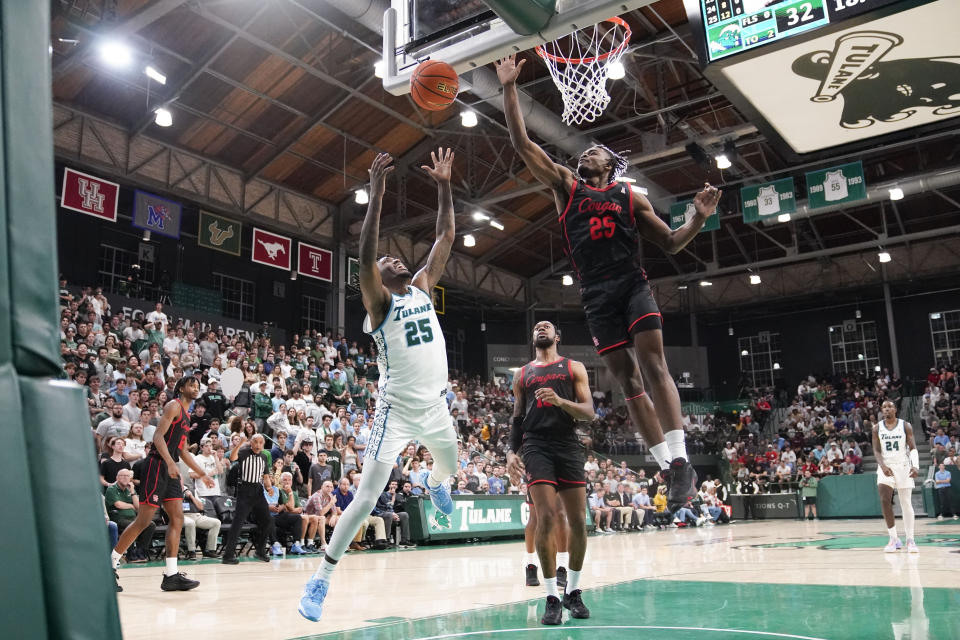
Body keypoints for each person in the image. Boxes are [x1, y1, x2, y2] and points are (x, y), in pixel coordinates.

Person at [496, 54, 720, 511]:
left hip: (632, 284)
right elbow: (522, 144)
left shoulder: (629, 196)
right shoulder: (565, 186)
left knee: (654, 365)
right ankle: (666, 466)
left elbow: (674, 243)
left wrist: (697, 216)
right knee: (625, 378)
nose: (586, 153)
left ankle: (681, 461)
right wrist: (508, 88)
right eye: (583, 151)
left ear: (610, 164)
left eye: (594, 151)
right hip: (595, 293)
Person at [299, 150, 460, 622]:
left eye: (398, 256)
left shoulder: (425, 286)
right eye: (390, 259)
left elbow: (446, 235)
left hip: (435, 409)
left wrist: (446, 186)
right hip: (394, 412)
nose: (396, 259)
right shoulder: (378, 301)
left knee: (449, 466)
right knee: (367, 497)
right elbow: (366, 254)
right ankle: (320, 579)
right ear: (379, 277)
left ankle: (432, 482)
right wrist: (378, 196)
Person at [507, 320, 595, 624]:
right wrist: (509, 452)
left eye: (547, 327)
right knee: (544, 516)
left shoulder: (574, 367)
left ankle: (573, 589)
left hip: (568, 444)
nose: (541, 328)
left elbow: (589, 412)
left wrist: (559, 401)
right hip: (536, 446)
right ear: (533, 338)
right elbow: (518, 417)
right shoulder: (523, 373)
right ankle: (551, 597)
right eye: (536, 327)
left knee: (578, 522)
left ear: (557, 336)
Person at [110, 376, 216, 591]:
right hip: (157, 465)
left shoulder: (187, 415)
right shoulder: (173, 406)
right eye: (191, 385)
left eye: (197, 385)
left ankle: (171, 574)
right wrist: (169, 462)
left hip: (171, 468)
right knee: (144, 520)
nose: (195, 388)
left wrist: (202, 473)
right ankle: (110, 564)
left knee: (177, 519)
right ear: (181, 388)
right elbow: (158, 436)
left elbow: (183, 450)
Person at [872, 400, 920, 553]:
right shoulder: (876, 428)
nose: (887, 409)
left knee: (906, 503)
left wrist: (915, 465)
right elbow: (877, 451)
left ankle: (910, 539)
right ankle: (893, 539)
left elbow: (912, 447)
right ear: (881, 410)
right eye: (884, 407)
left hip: (903, 466)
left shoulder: (905, 425)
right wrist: (883, 466)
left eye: (890, 407)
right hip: (886, 467)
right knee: (885, 500)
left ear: (895, 409)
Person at [221, 434, 276, 564]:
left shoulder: (264, 456)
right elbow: (232, 457)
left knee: (268, 520)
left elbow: (265, 475)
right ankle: (228, 555)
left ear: (263, 444)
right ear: (251, 443)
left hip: (258, 491)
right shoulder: (244, 452)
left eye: (261, 442)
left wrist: (269, 487)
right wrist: (240, 443)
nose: (258, 445)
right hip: (245, 491)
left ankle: (260, 551)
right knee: (238, 523)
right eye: (255, 442)